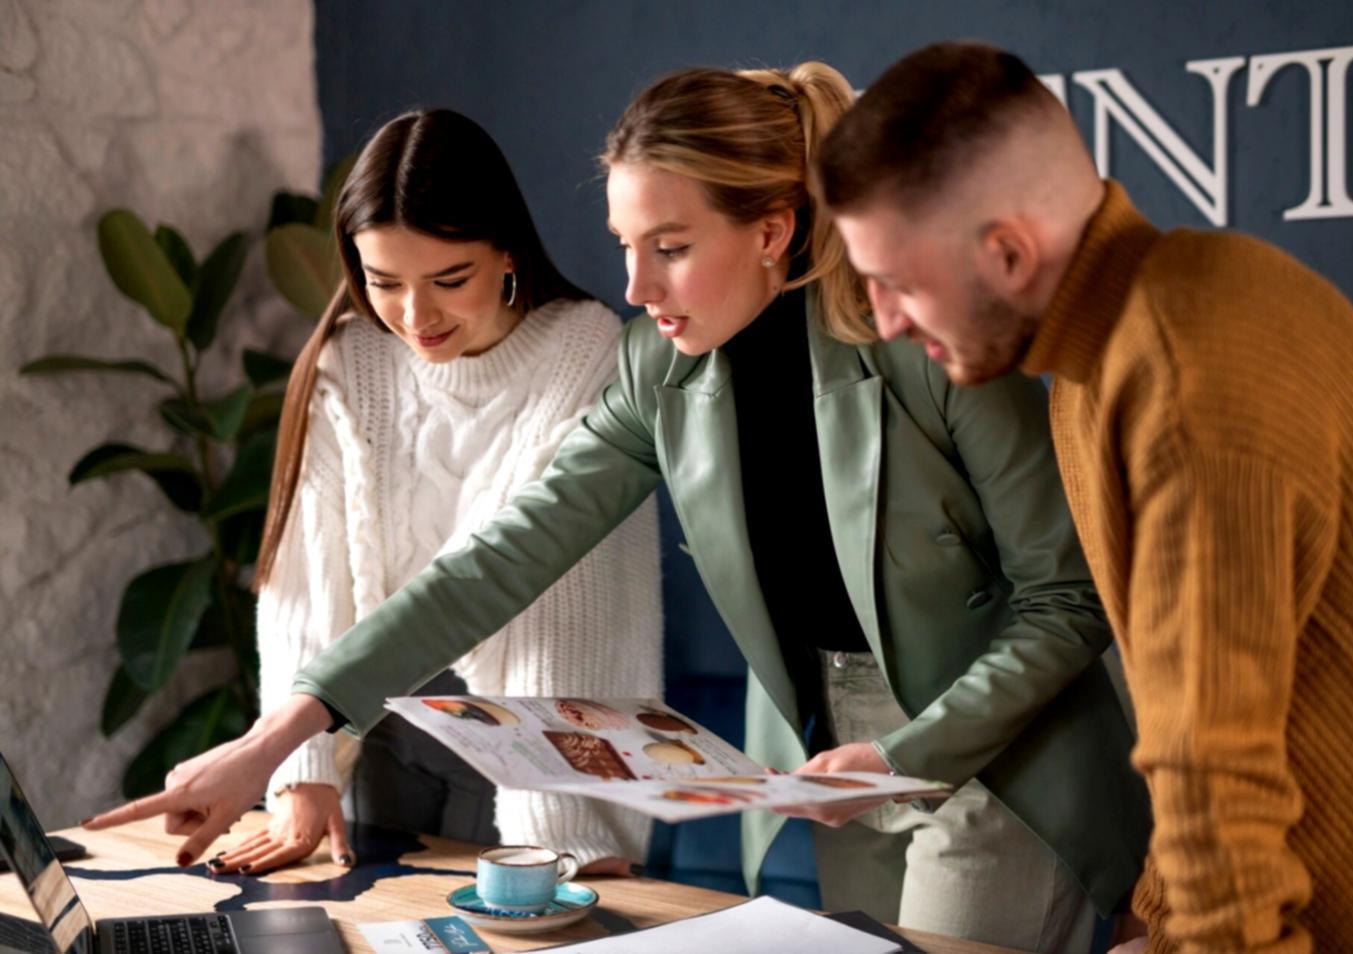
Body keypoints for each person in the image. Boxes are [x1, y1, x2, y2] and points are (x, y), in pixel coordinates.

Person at [84, 65, 1151, 953]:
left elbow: (1065, 600)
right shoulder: (658, 370)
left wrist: (905, 752)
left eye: (670, 247)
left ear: (774, 228)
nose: (633, 287)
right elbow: (492, 563)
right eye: (625, 244)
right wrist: (273, 742)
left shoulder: (923, 340)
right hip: (832, 755)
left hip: (999, 749)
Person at [815, 40, 1353, 954]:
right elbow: (1196, 726)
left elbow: (1215, 769)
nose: (886, 322)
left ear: (1009, 252)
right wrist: (1159, 921)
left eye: (896, 284)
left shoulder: (1185, 372)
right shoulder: (1109, 359)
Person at [212, 108, 663, 878]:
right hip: (373, 735)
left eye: (449, 280)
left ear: (507, 250)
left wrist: (562, 825)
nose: (415, 317)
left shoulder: (590, 356)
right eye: (383, 282)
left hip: (526, 757)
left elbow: (541, 601)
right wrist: (303, 769)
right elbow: (305, 585)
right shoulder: (349, 363)